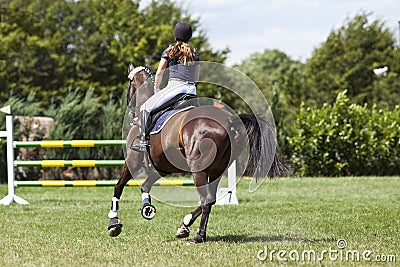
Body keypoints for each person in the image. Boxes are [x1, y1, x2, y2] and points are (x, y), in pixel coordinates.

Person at [131, 21, 200, 152]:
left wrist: (157, 89)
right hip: (191, 90)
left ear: (175, 36)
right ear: (189, 37)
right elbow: (196, 78)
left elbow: (159, 73)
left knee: (145, 107)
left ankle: (143, 142)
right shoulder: (194, 53)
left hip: (175, 88)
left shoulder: (170, 50)